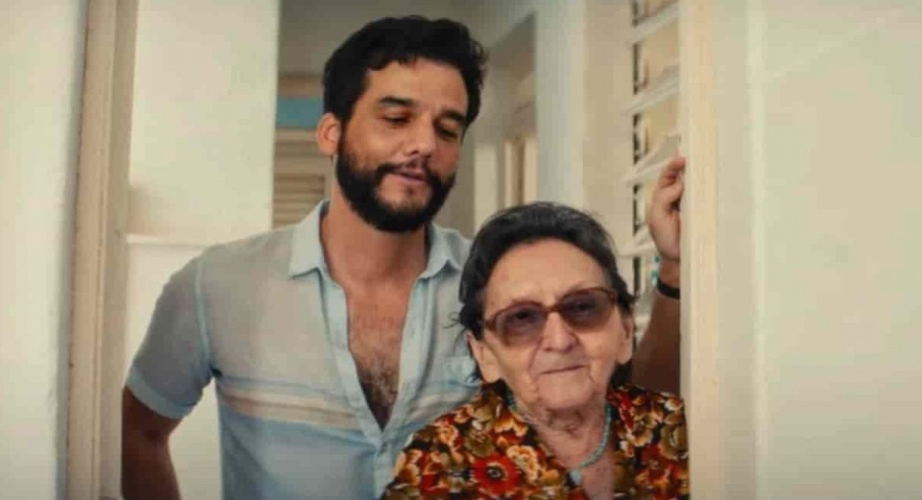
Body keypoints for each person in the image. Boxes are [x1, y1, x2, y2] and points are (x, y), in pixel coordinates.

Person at [121, 13, 683, 499]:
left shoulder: (498, 288)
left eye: (447, 129)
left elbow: (629, 413)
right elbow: (137, 432)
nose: (424, 144)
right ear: (331, 132)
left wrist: (673, 269)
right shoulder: (216, 285)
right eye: (396, 119)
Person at [382, 201, 688, 499]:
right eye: (521, 318)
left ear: (625, 331)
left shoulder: (684, 430)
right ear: (484, 354)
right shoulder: (437, 467)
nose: (559, 340)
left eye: (582, 307)